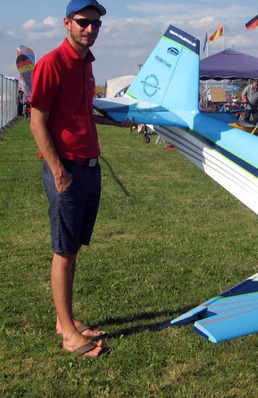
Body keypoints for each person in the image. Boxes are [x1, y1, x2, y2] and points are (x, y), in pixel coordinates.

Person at [29, 0, 133, 358]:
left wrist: (117, 121)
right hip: (68, 170)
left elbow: (82, 112)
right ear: (67, 23)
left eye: (96, 24)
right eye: (83, 22)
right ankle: (70, 336)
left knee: (72, 250)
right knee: (63, 250)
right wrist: (58, 171)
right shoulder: (51, 63)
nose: (90, 29)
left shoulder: (87, 65)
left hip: (89, 166)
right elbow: (37, 119)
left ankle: (66, 321)